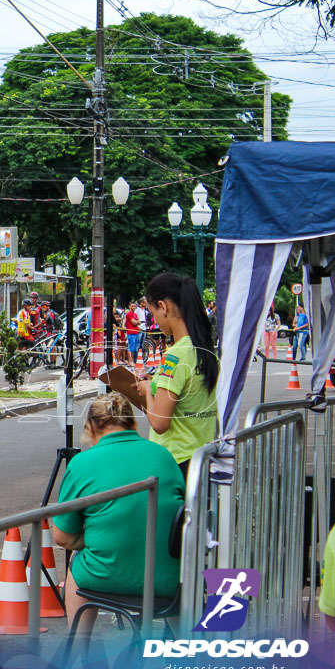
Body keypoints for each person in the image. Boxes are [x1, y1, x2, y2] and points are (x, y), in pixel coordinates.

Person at [51, 393, 184, 644]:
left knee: (78, 564)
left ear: (90, 427)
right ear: (133, 424)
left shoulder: (82, 463)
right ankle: (191, 653)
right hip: (167, 579)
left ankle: (78, 652)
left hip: (107, 575)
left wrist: (93, 535)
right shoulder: (163, 455)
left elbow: (63, 537)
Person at [136, 272, 219, 477]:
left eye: (153, 313)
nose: (155, 321)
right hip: (203, 457)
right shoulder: (206, 352)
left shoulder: (175, 356)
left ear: (163, 307)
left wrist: (147, 390)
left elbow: (160, 423)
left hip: (175, 461)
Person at [124, 301, 141, 367]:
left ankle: (132, 361)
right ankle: (130, 361)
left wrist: (137, 322)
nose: (133, 307)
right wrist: (137, 322)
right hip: (131, 333)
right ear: (129, 306)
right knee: (130, 347)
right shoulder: (129, 314)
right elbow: (134, 322)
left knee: (134, 348)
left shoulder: (135, 315)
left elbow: (138, 322)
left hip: (136, 332)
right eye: (132, 306)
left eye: (134, 306)